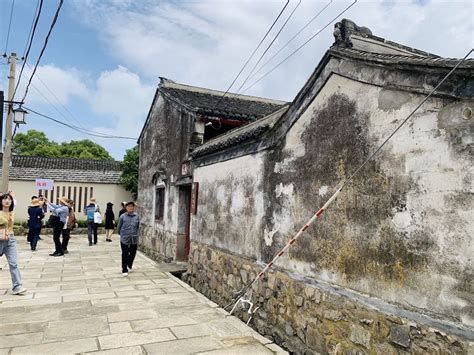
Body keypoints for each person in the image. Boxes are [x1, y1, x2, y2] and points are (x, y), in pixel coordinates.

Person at [0, 191, 27, 294]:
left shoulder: (12, 212)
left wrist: (13, 196)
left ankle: (17, 286)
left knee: (13, 263)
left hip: (10, 239)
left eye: (9, 199)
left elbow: (15, 203)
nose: (7, 201)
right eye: (5, 199)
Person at [117, 201, 140, 276]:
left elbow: (138, 226)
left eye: (131, 206)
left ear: (134, 208)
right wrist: (122, 235)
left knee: (133, 253)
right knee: (125, 253)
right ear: (126, 207)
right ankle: (124, 269)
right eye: (128, 206)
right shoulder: (122, 216)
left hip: (134, 238)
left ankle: (129, 263)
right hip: (124, 238)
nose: (130, 208)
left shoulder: (137, 216)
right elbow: (119, 227)